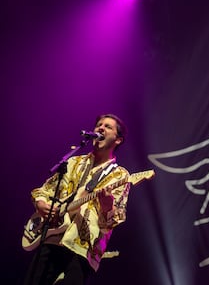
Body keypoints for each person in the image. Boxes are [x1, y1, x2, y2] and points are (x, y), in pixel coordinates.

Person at [23, 113, 131, 285]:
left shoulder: (120, 176)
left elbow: (111, 222)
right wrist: (41, 203)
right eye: (99, 125)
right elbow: (43, 190)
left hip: (82, 248)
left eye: (107, 127)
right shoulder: (73, 162)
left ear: (118, 140)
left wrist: (106, 206)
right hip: (51, 237)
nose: (100, 128)